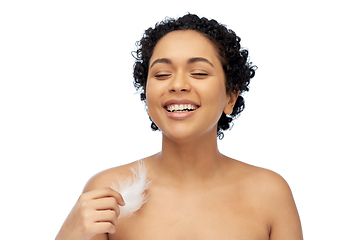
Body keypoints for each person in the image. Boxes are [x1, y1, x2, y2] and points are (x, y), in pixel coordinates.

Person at [56, 13, 303, 240]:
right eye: (162, 74)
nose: (178, 84)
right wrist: (68, 234)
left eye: (198, 73)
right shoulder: (108, 193)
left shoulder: (270, 194)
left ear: (230, 97)